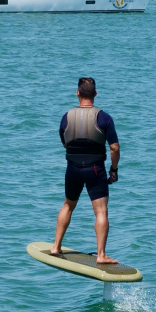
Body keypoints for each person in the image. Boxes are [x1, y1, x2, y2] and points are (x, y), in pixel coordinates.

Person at [50, 77, 120, 264]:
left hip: (72, 168)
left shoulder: (66, 117)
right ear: (95, 94)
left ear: (78, 93)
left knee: (67, 205)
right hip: (95, 170)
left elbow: (65, 142)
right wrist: (113, 170)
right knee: (101, 212)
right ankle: (101, 255)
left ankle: (56, 246)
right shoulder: (104, 118)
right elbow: (114, 147)